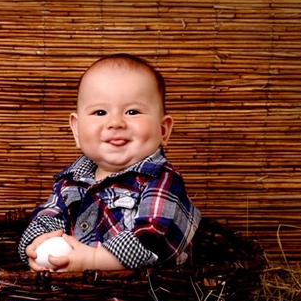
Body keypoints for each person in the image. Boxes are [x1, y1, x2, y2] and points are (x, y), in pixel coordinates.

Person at [19, 53, 201, 272]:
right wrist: (37, 243)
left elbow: (155, 239)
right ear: (76, 130)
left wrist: (93, 260)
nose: (115, 122)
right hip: (74, 293)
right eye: (100, 112)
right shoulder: (71, 180)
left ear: (163, 130)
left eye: (132, 111)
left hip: (142, 294)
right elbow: (50, 216)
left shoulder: (161, 180)